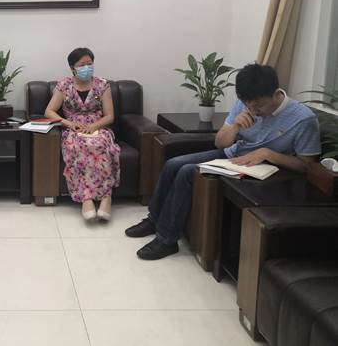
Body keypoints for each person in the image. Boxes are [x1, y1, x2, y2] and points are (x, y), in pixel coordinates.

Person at [125, 63, 321, 260]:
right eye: (249, 106)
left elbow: (307, 165)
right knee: (172, 164)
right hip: (232, 156)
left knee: (187, 172)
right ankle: (154, 219)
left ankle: (167, 240)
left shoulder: (303, 119)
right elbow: (220, 143)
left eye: (259, 106)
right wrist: (235, 126)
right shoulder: (245, 105)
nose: (254, 111)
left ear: (276, 93)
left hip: (261, 170)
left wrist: (268, 154)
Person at [44, 47, 121, 221]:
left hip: (99, 127)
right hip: (74, 129)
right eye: (82, 65)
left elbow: (110, 116)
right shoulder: (64, 85)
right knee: (78, 146)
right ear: (73, 68)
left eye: (89, 64)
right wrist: (69, 124)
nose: (87, 67)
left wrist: (94, 126)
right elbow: (49, 111)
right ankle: (87, 199)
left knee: (100, 145)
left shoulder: (102, 85)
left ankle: (106, 198)